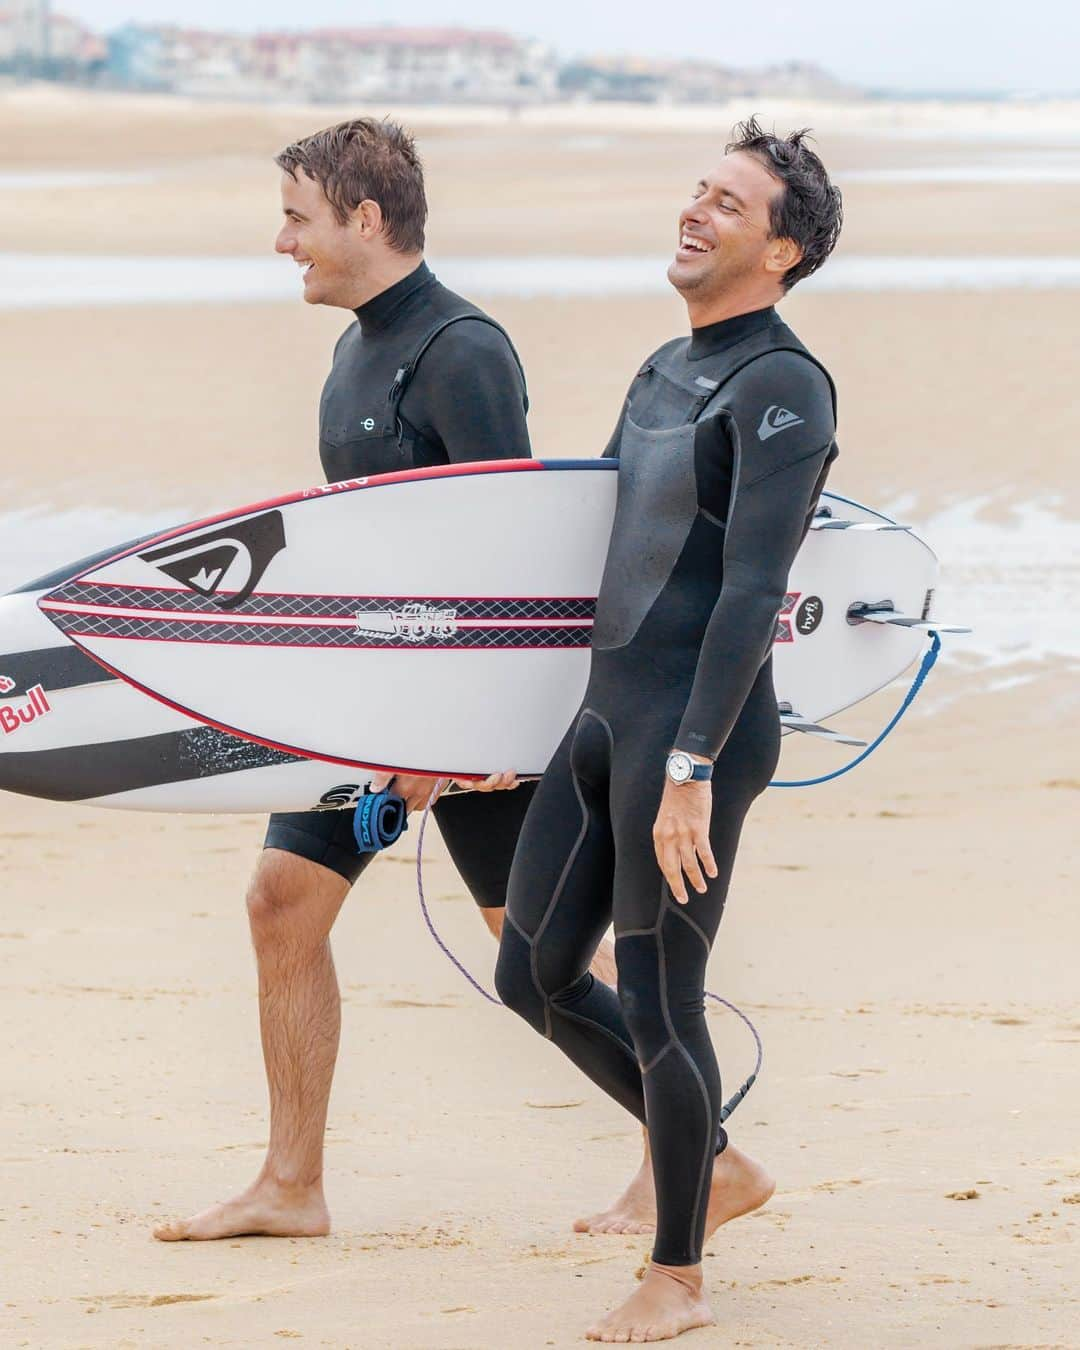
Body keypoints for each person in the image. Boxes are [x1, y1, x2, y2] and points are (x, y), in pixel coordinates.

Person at [151, 117, 623, 1242]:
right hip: (371, 701)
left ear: (367, 218)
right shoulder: (354, 346)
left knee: (542, 951)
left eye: (298, 217)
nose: (283, 242)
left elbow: (506, 560)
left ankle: (695, 1148)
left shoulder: (463, 349)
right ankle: (292, 1185)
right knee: (282, 905)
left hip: (467, 716)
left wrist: (436, 746)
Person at [495, 118, 844, 1342]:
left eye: (729, 204)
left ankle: (680, 1274)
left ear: (783, 250)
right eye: (696, 191)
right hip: (600, 720)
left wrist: (690, 766)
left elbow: (749, 590)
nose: (695, 211)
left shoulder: (785, 386)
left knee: (659, 1000)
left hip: (695, 735)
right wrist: (517, 718)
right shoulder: (662, 366)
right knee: (530, 974)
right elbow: (593, 559)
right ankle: (723, 1166)